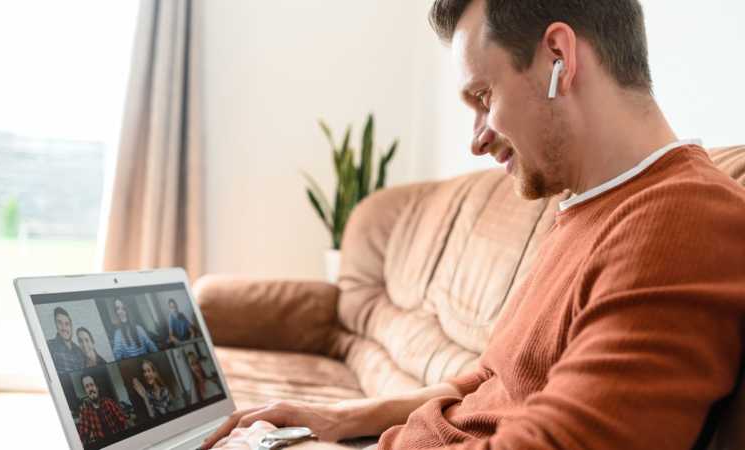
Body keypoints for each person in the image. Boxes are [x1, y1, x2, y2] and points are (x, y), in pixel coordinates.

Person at [201, 1, 745, 450]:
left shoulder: (681, 223)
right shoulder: (585, 208)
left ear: (559, 57)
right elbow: (493, 380)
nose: (476, 138)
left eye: (483, 97)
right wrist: (335, 419)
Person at [76, 374, 128, 445]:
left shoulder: (109, 402)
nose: (90, 389)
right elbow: (82, 438)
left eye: (92, 385)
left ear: (97, 387)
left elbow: (125, 423)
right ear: (85, 391)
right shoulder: (85, 413)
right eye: (87, 387)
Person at [46, 306, 85, 373]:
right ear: (56, 325)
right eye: (60, 323)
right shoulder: (48, 346)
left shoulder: (79, 351)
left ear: (71, 326)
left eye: (67, 324)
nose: (64, 328)